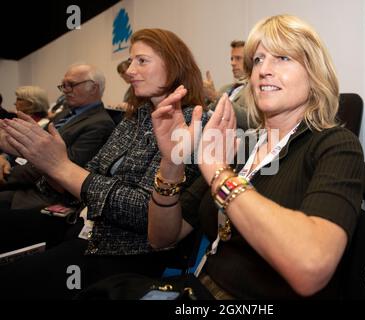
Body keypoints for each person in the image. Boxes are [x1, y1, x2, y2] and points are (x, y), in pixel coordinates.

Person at [83, 14, 364, 300]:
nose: (263, 69)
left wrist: (218, 171)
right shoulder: (243, 146)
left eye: (282, 58)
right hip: (199, 288)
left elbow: (311, 267)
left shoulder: (336, 145)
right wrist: (172, 162)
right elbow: (162, 237)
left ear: (315, 74)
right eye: (257, 60)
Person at [0, 28, 209, 300]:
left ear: (174, 64)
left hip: (128, 254)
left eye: (142, 61)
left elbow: (144, 211)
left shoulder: (196, 123)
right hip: (86, 232)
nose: (130, 71)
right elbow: (84, 180)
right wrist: (44, 158)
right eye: (131, 61)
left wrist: (61, 166)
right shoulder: (136, 117)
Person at [0, 64, 116, 210]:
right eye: (63, 85)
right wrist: (4, 158)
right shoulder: (65, 113)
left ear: (93, 88)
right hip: (24, 181)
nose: (66, 91)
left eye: (71, 85)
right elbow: (30, 143)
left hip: (45, 194)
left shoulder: (100, 124)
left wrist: (7, 176)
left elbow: (59, 167)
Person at [204, 40, 255, 130]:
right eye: (232, 59)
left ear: (250, 61)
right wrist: (204, 96)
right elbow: (206, 112)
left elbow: (251, 120)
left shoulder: (256, 88)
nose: (233, 63)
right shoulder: (225, 88)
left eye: (238, 58)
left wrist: (215, 96)